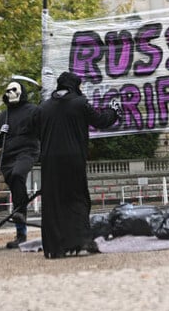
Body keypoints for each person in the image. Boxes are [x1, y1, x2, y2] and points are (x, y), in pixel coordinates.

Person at [35, 71, 119, 259]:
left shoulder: (44, 107)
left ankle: (54, 246)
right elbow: (100, 121)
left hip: (49, 160)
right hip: (73, 158)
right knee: (77, 198)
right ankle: (80, 240)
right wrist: (113, 110)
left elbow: (34, 129)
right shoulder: (80, 104)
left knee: (53, 202)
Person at [0, 80, 41, 249]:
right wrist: (0, 133)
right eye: (7, 91)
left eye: (14, 90)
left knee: (18, 174)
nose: (10, 93)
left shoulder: (33, 111)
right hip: (7, 157)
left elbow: (42, 130)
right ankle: (21, 233)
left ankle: (20, 211)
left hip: (26, 152)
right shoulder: (3, 116)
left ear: (21, 92)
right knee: (15, 187)